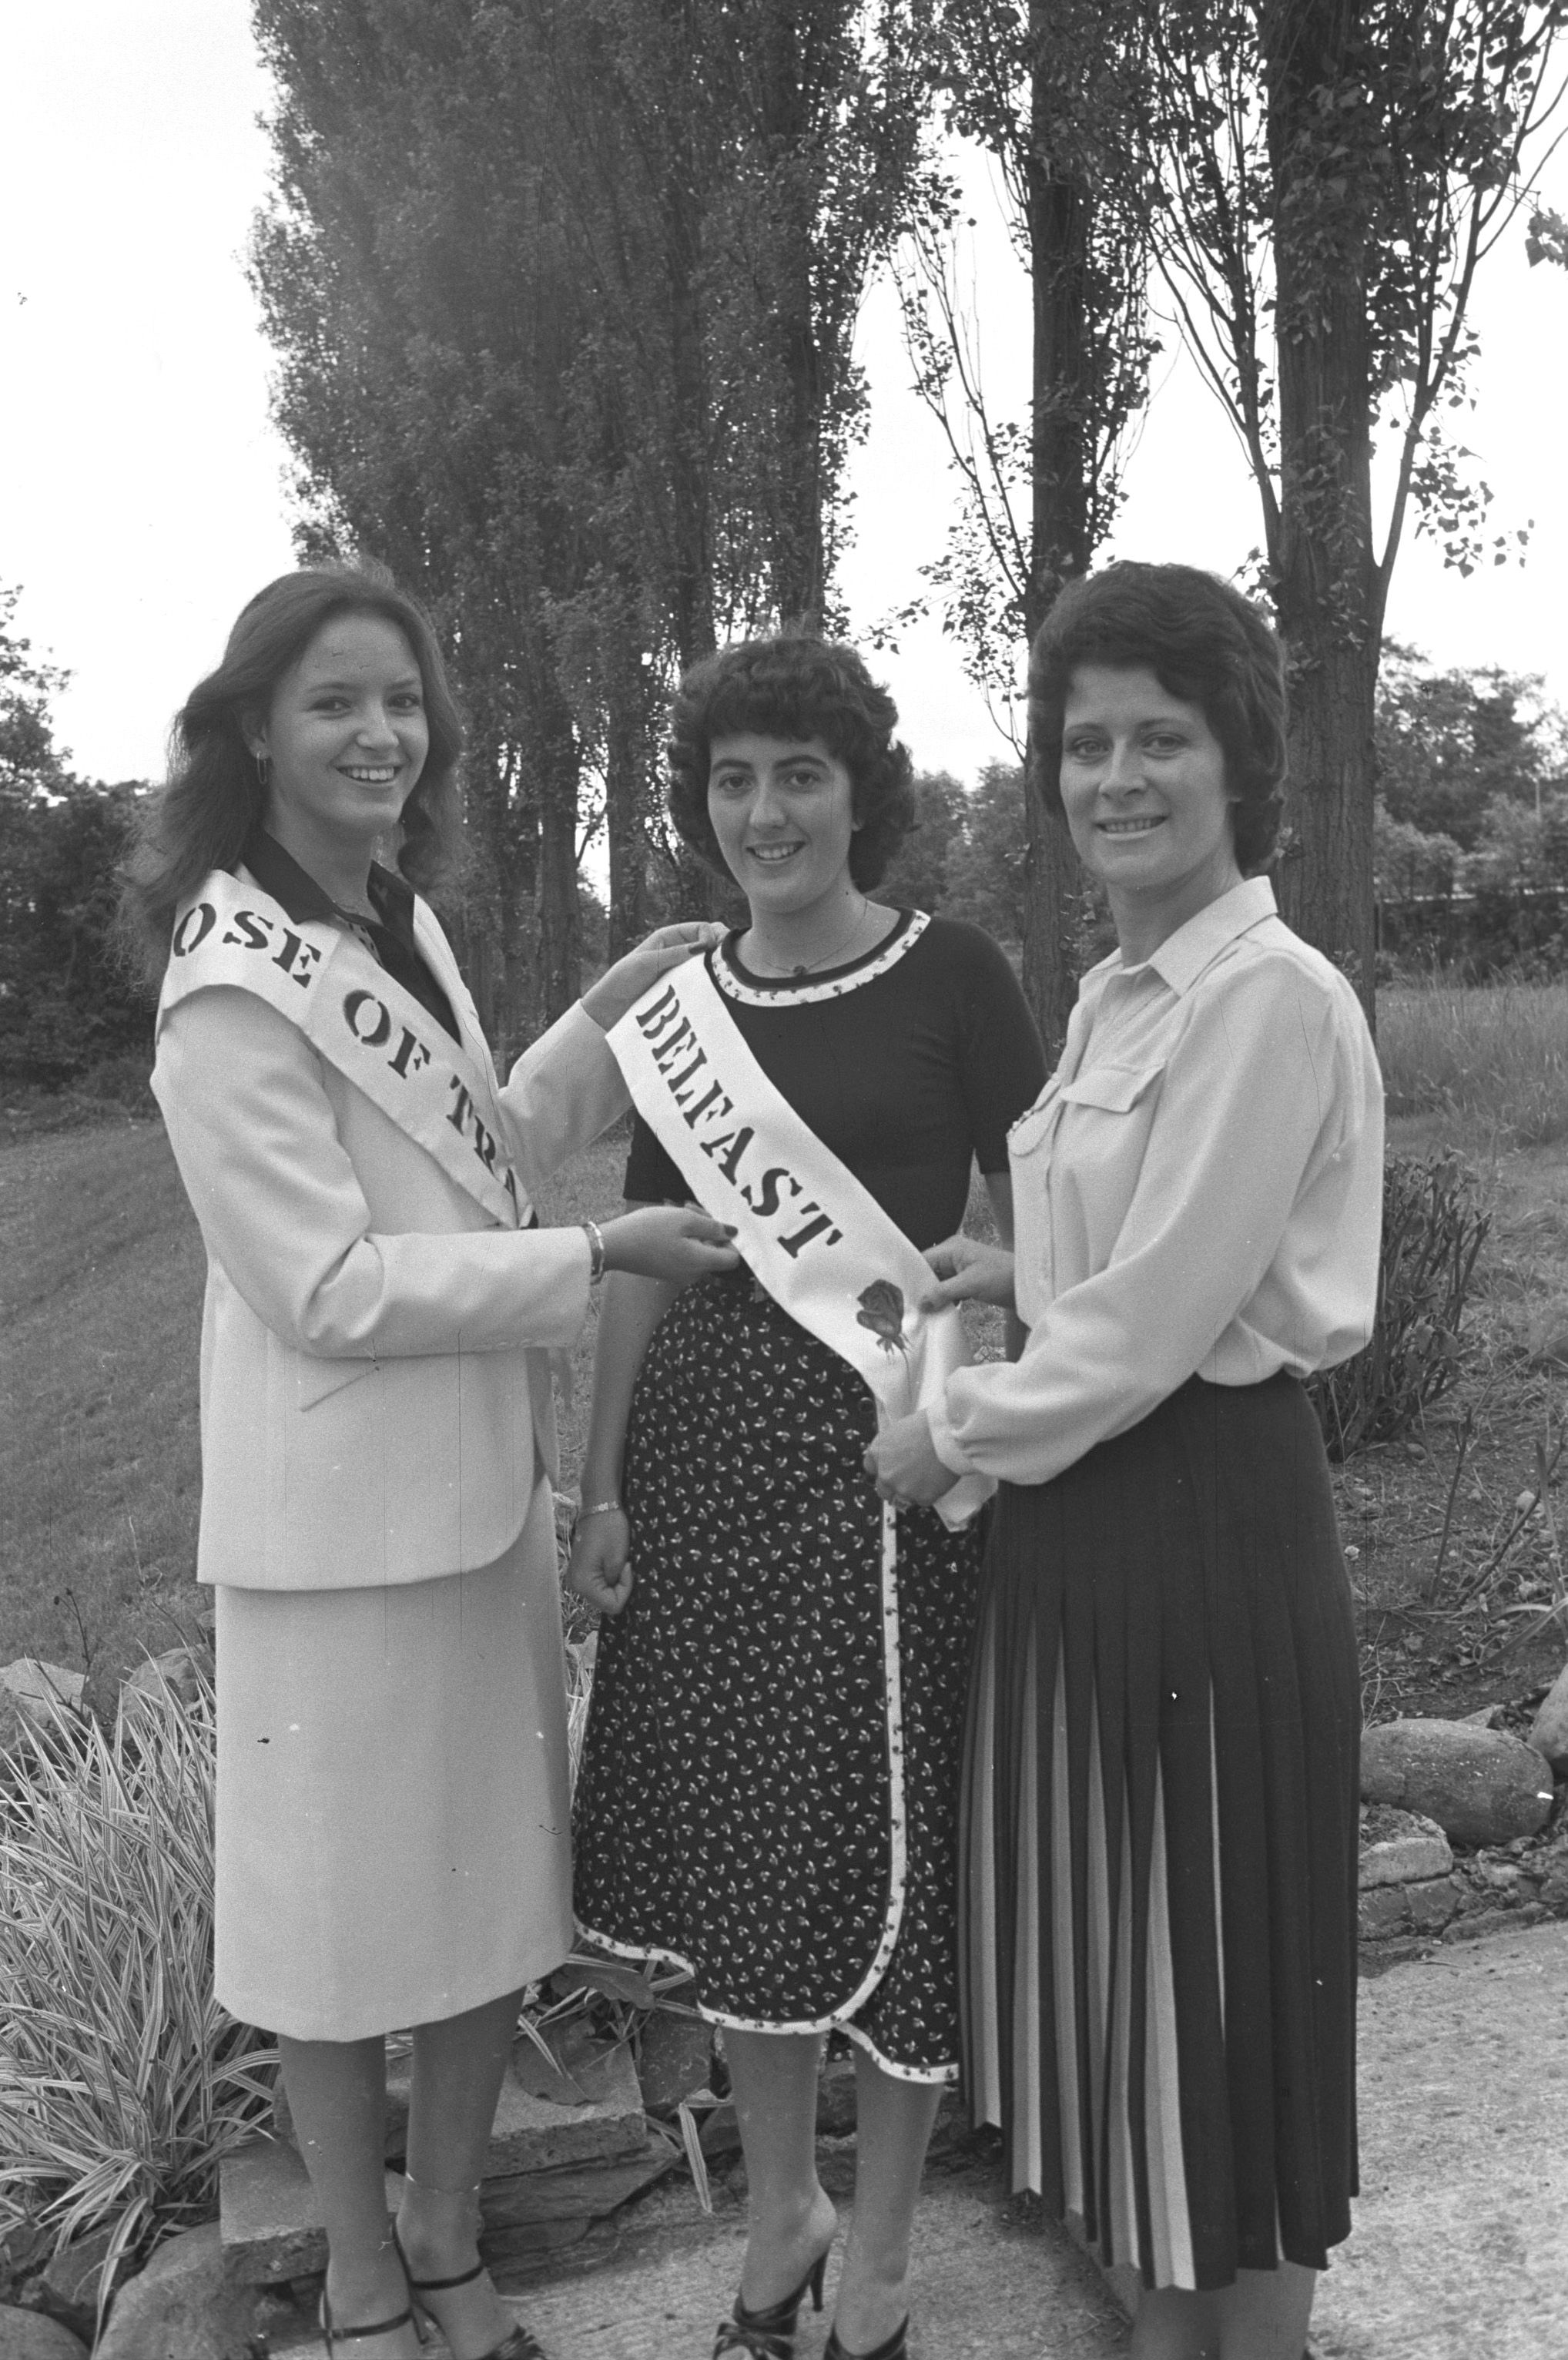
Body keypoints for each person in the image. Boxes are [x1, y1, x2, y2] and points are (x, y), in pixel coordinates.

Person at [118, 565, 739, 2360]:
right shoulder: (228, 983)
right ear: (252, 728)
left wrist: (609, 1006)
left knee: (482, 1899)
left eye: (401, 699)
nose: (379, 731)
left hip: (475, 1502)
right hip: (330, 1533)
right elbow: (320, 1283)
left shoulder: (393, 917)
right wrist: (596, 1261)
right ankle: (364, 2275)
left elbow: (478, 1143)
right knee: (331, 1933)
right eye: (334, 701)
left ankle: (452, 2232)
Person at [866, 563, 1383, 2360]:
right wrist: (1023, 1273)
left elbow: (1161, 1323)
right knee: (1139, 1991)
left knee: (1218, 1985)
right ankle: (1166, 2323)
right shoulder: (1115, 990)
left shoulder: (1264, 994)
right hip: (1089, 1536)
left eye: (1158, 736)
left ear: (1237, 756)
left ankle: (1239, 2341)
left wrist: (945, 1426)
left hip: (1202, 1527)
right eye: (1083, 744)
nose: (1115, 777)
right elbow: (1138, 1256)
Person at [566, 631, 1046, 2360]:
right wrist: (598, 1483)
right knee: (751, 1865)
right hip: (701, 1479)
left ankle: (890, 2249)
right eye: (732, 778)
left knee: (894, 1851)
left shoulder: (955, 975)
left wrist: (1010, 1318)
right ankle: (783, 2210)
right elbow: (638, 1266)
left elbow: (1057, 1192)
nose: (763, 811)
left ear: (860, 792)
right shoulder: (680, 1021)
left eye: (798, 773)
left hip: (881, 1476)